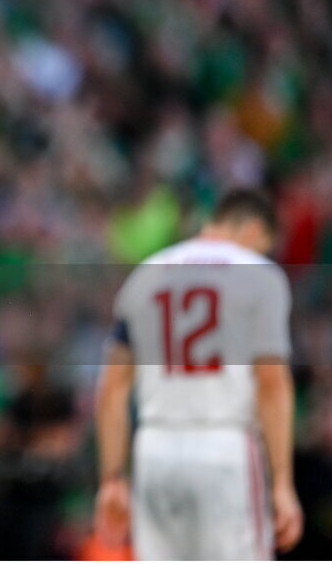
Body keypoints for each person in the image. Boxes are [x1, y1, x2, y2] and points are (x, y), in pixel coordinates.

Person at [94, 188, 303, 560]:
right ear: (254, 230)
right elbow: (272, 384)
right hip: (225, 447)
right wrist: (283, 483)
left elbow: (112, 389)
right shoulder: (258, 274)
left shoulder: (145, 275)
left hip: (154, 448)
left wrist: (112, 477)